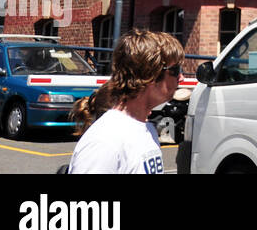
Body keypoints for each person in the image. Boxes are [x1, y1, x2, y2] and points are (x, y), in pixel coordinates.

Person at [68, 29, 183, 174]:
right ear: (150, 75)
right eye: (175, 70)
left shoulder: (147, 130)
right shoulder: (105, 142)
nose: (181, 77)